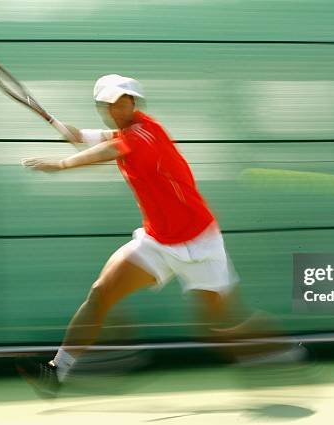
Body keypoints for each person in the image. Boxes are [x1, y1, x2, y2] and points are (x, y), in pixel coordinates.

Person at [16, 74, 299, 398]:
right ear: (104, 107)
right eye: (112, 102)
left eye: (126, 99)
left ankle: (282, 349)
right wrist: (75, 133)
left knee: (218, 327)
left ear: (134, 103)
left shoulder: (146, 133)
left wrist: (63, 163)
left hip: (200, 242)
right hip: (157, 241)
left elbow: (114, 147)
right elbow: (105, 137)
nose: (121, 106)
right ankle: (57, 371)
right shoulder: (126, 130)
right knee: (100, 292)